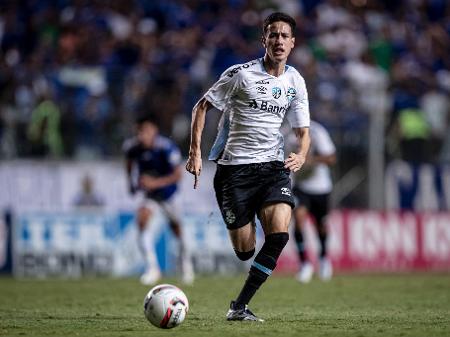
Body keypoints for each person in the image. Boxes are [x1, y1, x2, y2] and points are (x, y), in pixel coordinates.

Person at [186, 12, 310, 321]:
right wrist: (195, 153)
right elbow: (201, 106)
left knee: (279, 236)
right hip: (234, 171)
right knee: (244, 251)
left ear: (292, 43)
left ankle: (238, 306)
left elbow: (302, 131)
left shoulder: (295, 80)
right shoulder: (240, 74)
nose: (279, 40)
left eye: (284, 36)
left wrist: (303, 154)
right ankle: (249, 217)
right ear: (264, 40)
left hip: (272, 167)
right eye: (273, 35)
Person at [123, 116, 194, 285]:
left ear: (154, 131)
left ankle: (186, 265)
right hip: (151, 196)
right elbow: (128, 163)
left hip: (170, 195)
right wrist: (130, 183)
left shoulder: (166, 148)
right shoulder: (133, 148)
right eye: (139, 132)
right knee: (142, 220)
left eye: (146, 131)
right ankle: (153, 268)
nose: (142, 135)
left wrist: (155, 183)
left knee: (177, 230)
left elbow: (178, 175)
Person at [290, 120, 336, 283]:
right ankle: (304, 263)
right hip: (300, 187)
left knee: (321, 225)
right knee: (299, 219)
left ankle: (323, 258)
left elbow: (331, 158)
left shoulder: (317, 131)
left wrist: (310, 161)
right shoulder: (284, 131)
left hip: (321, 188)